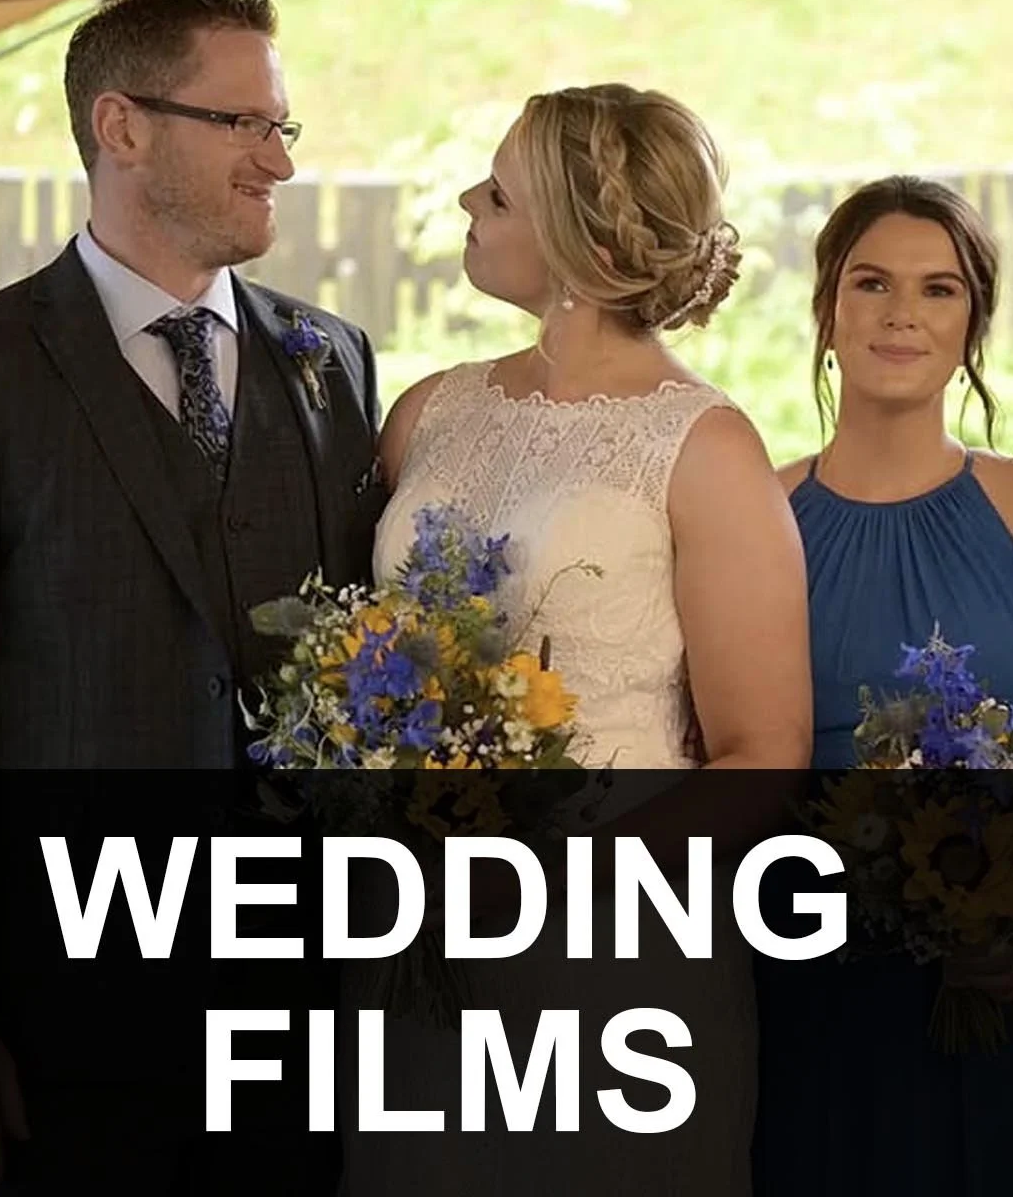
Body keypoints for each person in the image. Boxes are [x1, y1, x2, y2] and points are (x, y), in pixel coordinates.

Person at [0, 0, 383, 1192]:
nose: (277, 163)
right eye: (244, 126)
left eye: (284, 128)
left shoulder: (333, 360)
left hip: (297, 1010)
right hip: (64, 1023)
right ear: (122, 127)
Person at [340, 84, 812, 1195]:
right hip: (418, 937)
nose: (467, 200)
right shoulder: (427, 412)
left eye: (495, 192)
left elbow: (763, 752)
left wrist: (546, 885)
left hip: (615, 957)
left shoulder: (704, 447)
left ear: (569, 241)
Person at [754, 175, 1013, 1195]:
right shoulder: (758, 513)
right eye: (869, 282)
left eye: (936, 289)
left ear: (970, 324)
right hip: (809, 980)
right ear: (825, 311)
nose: (900, 312)